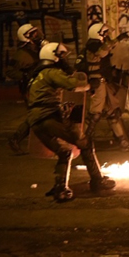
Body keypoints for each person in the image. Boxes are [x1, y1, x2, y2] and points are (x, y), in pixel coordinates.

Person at [27, 42, 116, 202]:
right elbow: (73, 85)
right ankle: (97, 181)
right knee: (85, 143)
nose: (63, 59)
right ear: (53, 56)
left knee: (64, 152)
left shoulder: (36, 75)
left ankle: (60, 188)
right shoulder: (50, 72)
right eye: (60, 56)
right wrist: (91, 85)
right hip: (50, 118)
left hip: (36, 121)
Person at [76, 23, 129, 150]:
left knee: (113, 113)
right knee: (95, 114)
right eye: (104, 33)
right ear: (98, 34)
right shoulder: (93, 45)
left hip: (104, 82)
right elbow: (102, 52)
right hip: (97, 84)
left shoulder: (98, 45)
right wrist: (117, 39)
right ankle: (84, 141)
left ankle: (123, 141)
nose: (106, 35)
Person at [5, 24, 45, 153]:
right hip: (30, 89)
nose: (36, 35)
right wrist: (25, 75)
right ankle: (16, 139)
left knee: (43, 114)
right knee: (36, 116)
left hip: (40, 86)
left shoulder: (36, 49)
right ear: (26, 37)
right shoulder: (22, 54)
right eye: (33, 33)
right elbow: (10, 71)